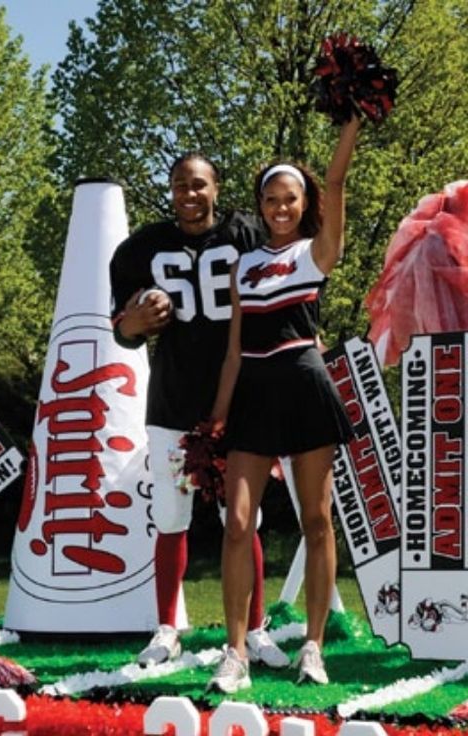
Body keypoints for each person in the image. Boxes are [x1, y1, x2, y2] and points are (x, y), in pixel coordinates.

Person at [110, 152, 288, 669]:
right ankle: (168, 628)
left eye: (198, 185)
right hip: (173, 404)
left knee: (242, 521)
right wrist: (134, 323)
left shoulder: (246, 233)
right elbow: (120, 330)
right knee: (170, 518)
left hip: (239, 404)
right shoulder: (142, 248)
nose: (188, 195)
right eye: (179, 186)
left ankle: (254, 629)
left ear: (216, 188)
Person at [208, 117, 360, 693]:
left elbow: (339, 184)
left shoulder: (315, 252)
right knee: (236, 524)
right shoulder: (242, 267)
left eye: (289, 199)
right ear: (260, 204)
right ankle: (235, 651)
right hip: (253, 392)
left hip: (303, 381)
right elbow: (233, 352)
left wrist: (349, 125)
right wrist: (217, 418)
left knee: (316, 520)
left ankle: (314, 647)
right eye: (270, 199)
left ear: (304, 203)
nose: (278, 207)